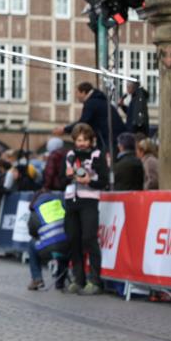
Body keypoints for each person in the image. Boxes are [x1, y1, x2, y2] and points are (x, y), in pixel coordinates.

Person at [63, 124, 109, 295]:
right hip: (71, 200)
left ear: (91, 140)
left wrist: (88, 181)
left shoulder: (97, 155)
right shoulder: (70, 155)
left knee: (89, 238)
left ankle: (95, 280)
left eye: (84, 140)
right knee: (73, 239)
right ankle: (78, 278)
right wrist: (68, 175)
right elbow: (61, 179)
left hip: (89, 200)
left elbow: (103, 181)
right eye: (78, 140)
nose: (81, 144)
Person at [53, 82, 125, 154]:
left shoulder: (91, 103)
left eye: (77, 93)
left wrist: (65, 129)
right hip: (114, 137)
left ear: (83, 92)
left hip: (109, 139)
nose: (76, 96)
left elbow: (83, 122)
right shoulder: (98, 100)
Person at [26, 191, 68, 291]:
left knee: (32, 244)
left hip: (48, 250)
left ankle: (37, 278)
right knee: (62, 243)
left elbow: (32, 232)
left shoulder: (36, 210)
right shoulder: (61, 203)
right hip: (68, 248)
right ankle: (60, 282)